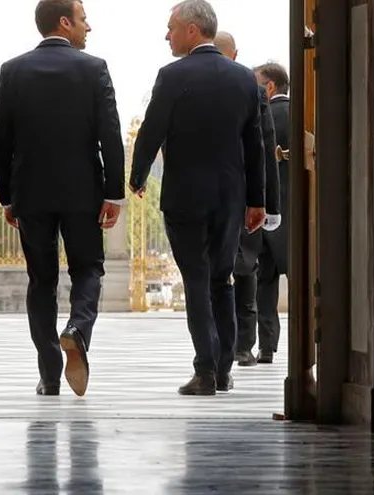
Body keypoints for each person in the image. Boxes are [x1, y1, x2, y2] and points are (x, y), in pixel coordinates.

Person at [129, 0, 266, 396]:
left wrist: (137, 177)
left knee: (196, 279)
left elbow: (152, 130)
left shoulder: (172, 75)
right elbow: (253, 145)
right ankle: (224, 369)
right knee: (222, 279)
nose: (167, 35)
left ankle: (204, 369)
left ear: (192, 30)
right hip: (230, 197)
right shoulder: (244, 80)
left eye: (171, 27)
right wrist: (256, 200)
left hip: (185, 195)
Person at [0, 0, 125, 397]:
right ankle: (78, 329)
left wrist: (6, 197)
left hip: (30, 192)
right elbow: (110, 135)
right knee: (89, 269)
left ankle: (49, 374)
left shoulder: (12, 70)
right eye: (84, 19)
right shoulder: (93, 68)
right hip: (83, 191)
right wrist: (113, 193)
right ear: (65, 22)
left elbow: (4, 140)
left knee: (41, 281)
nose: (89, 27)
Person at [213, 32, 282, 367]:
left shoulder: (188, 86)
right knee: (245, 271)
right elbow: (265, 153)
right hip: (244, 198)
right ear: (235, 54)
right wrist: (269, 205)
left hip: (207, 198)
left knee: (213, 274)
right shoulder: (253, 92)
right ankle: (242, 346)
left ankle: (216, 349)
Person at [253, 62, 291, 364]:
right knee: (302, 279)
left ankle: (266, 346)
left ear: (269, 87)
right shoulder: (304, 114)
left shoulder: (260, 117)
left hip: (265, 211)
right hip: (299, 216)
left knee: (264, 281)